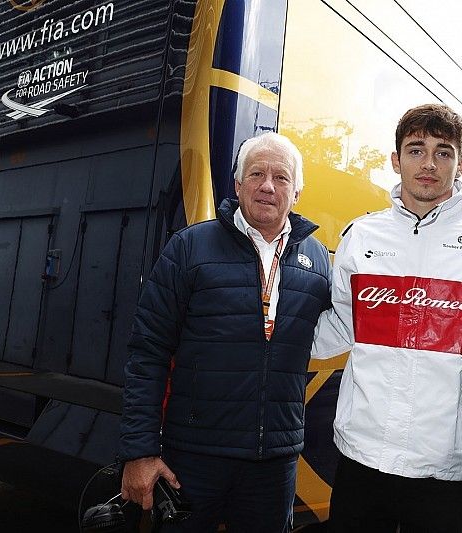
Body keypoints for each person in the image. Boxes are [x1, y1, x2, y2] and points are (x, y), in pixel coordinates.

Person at [313, 103, 462, 532]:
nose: (428, 163)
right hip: (362, 455)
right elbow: (338, 324)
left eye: (443, 152)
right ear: (396, 160)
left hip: (443, 466)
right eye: (415, 150)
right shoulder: (361, 235)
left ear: (460, 164)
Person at [118, 132, 331, 533]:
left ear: (297, 192)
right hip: (194, 459)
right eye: (256, 174)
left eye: (281, 178)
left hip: (275, 466)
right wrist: (140, 451)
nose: (268, 185)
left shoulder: (318, 261)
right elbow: (147, 352)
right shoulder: (189, 248)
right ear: (237, 185)